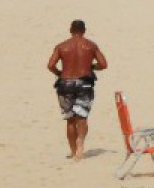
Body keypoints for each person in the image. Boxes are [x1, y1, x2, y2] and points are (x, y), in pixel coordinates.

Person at [46, 20, 109, 161]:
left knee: (70, 119)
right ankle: (81, 143)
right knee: (82, 117)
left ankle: (74, 151)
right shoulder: (91, 46)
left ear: (70, 30)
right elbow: (104, 64)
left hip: (65, 84)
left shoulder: (61, 46)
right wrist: (92, 67)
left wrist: (59, 73)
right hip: (84, 83)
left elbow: (50, 65)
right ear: (84, 30)